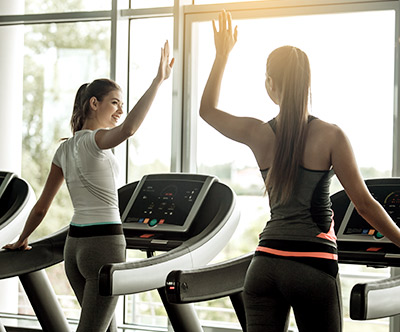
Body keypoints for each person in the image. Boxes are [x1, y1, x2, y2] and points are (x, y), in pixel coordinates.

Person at [200, 10, 400, 332]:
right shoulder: (332, 135)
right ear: (308, 83)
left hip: (264, 265)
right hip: (313, 266)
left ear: (269, 83)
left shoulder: (257, 133)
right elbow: (364, 205)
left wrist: (222, 55)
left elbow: (207, 110)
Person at [3, 41, 174, 332]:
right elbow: (129, 129)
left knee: (104, 327)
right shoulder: (96, 141)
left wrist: (23, 238)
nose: (121, 110)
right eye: (115, 102)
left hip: (75, 248)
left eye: (122, 104)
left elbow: (42, 206)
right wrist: (158, 81)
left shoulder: (64, 150)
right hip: (103, 247)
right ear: (94, 103)